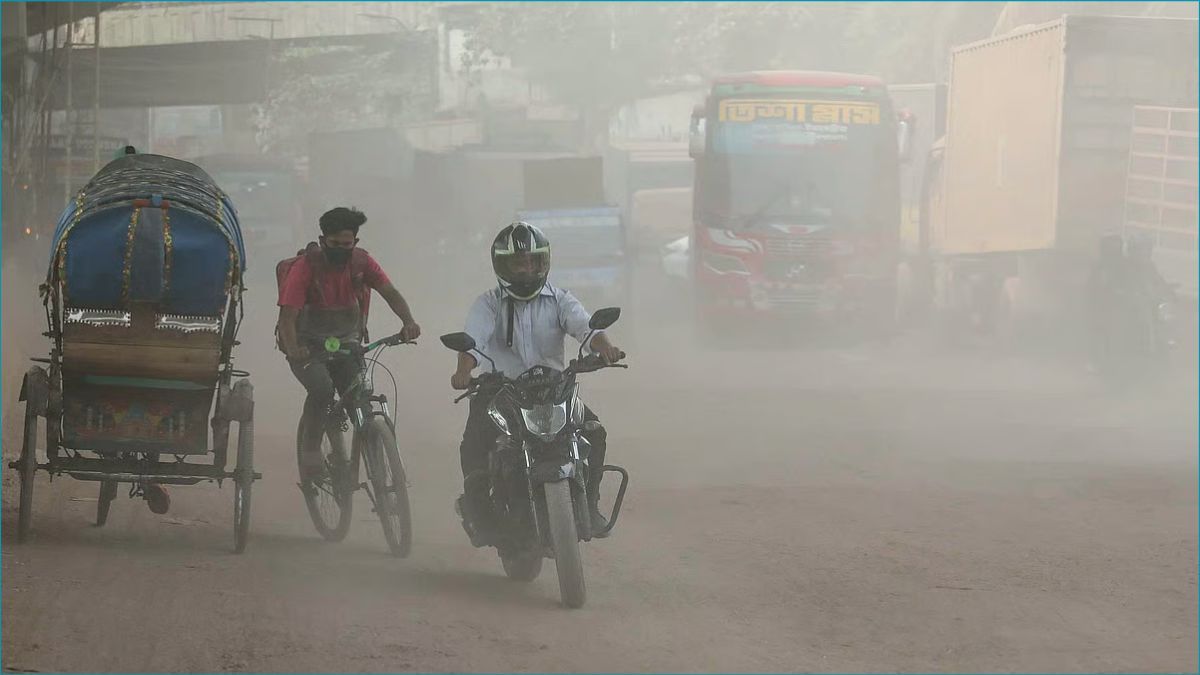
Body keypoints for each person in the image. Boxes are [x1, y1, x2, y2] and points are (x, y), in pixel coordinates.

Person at [450, 222, 624, 539]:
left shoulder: (559, 299)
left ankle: (590, 506)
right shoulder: (488, 303)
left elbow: (588, 329)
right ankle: (480, 514)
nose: (527, 269)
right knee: (474, 443)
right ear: (503, 265)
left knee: (594, 432)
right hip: (500, 390)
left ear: (543, 262)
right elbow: (472, 343)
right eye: (519, 262)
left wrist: (607, 348)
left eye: (533, 261)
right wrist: (464, 371)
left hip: (553, 389)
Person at [278, 207, 420, 478]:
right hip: (306, 345)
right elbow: (288, 317)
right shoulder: (305, 267)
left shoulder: (362, 263)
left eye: (347, 244)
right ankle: (310, 450)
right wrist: (295, 349)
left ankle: (366, 447)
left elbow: (390, 292)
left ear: (355, 242)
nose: (341, 250)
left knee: (358, 394)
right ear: (322, 241)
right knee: (321, 389)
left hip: (347, 343)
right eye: (334, 244)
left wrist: (408, 322)